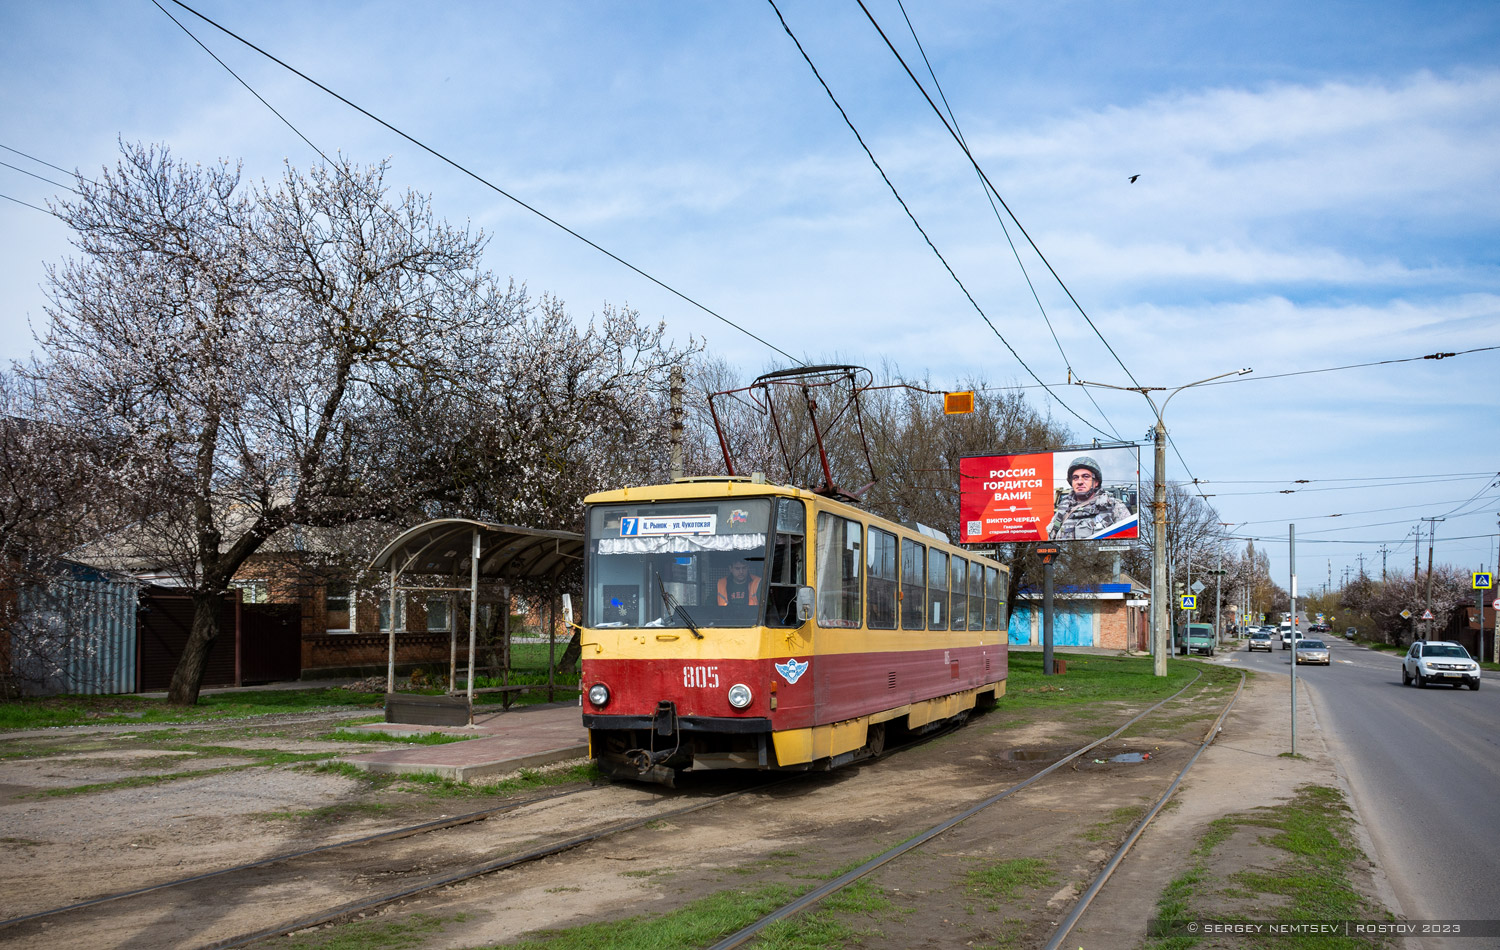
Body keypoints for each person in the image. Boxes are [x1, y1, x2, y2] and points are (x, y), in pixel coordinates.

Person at [1047, 456, 1133, 540]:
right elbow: (1051, 540)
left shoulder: (1114, 507)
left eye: (1086, 477)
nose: (1080, 482)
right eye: (1075, 478)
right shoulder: (1063, 510)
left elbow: (1130, 540)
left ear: (1096, 482)